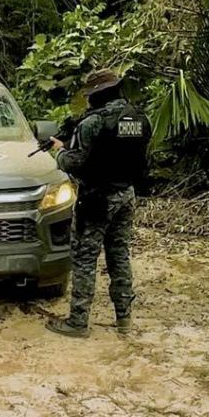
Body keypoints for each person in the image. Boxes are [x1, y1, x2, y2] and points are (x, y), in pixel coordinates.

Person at [45, 69, 151, 338]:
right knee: (119, 257)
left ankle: (78, 322)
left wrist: (60, 151)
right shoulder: (139, 118)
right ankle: (124, 319)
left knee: (84, 258)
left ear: (97, 94)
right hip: (126, 195)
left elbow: (76, 162)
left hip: (98, 198)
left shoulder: (93, 122)